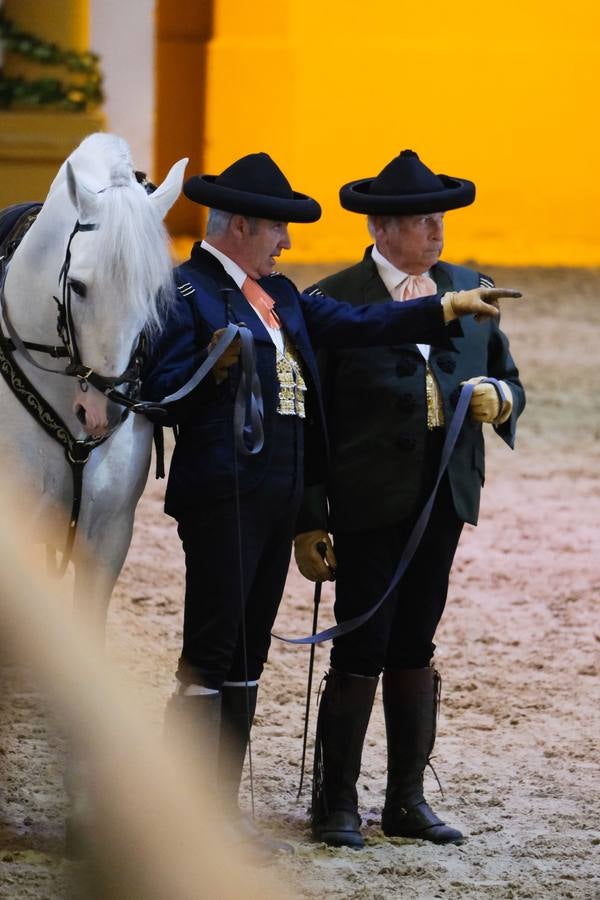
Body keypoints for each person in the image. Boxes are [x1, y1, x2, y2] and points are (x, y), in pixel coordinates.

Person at [141, 151, 517, 854]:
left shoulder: (281, 298)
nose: (286, 242)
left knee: (246, 656)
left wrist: (441, 308)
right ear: (242, 225)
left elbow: (356, 323)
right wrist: (208, 369)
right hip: (223, 496)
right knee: (211, 654)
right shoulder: (187, 292)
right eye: (277, 229)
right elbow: (159, 392)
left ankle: (217, 811)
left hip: (275, 497)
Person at [294, 149, 525, 850]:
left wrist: (499, 398)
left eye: (441, 219)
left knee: (417, 642)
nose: (438, 233)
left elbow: (509, 378)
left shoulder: (470, 288)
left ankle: (406, 799)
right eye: (425, 221)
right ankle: (335, 801)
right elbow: (309, 417)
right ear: (383, 228)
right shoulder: (335, 299)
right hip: (366, 501)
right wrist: (310, 517)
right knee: (361, 642)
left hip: (444, 496)